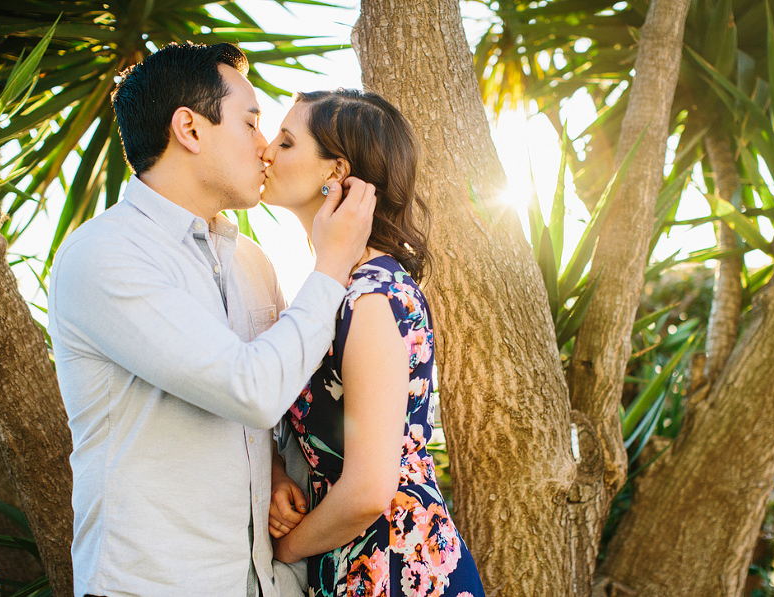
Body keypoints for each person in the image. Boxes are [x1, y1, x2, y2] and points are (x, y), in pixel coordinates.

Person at [48, 42, 376, 597]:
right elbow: (249, 387)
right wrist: (333, 263)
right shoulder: (104, 255)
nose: (264, 148)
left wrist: (272, 471)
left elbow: (267, 412)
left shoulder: (250, 260)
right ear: (190, 130)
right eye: (250, 124)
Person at [262, 89, 486, 597]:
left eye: (287, 141)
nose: (267, 151)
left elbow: (367, 489)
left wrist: (288, 548)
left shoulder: (371, 296)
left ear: (335, 172)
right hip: (360, 560)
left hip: (396, 566)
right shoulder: (341, 288)